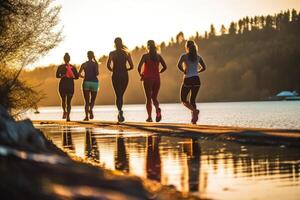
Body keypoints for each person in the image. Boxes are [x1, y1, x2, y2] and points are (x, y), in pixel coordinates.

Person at [177, 40, 206, 124]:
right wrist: (197, 72)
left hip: (188, 79)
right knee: (192, 100)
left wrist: (184, 70)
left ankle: (194, 111)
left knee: (183, 99)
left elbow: (178, 65)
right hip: (196, 79)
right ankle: (194, 119)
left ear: (187, 47)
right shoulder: (198, 57)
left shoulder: (184, 56)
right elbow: (204, 67)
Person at [138, 40, 167, 122]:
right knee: (154, 97)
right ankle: (157, 109)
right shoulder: (158, 56)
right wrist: (159, 72)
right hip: (157, 79)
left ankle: (150, 117)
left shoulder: (145, 56)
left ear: (148, 46)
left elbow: (139, 68)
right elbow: (165, 67)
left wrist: (141, 75)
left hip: (147, 79)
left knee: (148, 99)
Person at [107, 37, 134, 122]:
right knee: (121, 94)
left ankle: (119, 111)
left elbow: (108, 65)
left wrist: (112, 70)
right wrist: (126, 69)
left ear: (114, 43)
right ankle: (120, 112)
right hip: (124, 75)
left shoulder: (112, 53)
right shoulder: (126, 53)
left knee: (118, 95)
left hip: (115, 75)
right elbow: (132, 66)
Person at [56, 53, 79, 122]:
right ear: (69, 59)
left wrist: (63, 76)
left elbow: (57, 76)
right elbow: (77, 77)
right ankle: (67, 116)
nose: (67, 60)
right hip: (69, 85)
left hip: (64, 85)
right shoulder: (72, 67)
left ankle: (65, 113)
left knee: (64, 100)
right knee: (68, 102)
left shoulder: (62, 67)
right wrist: (70, 76)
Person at [79, 51, 99, 121]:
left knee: (86, 101)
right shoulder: (95, 64)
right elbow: (97, 74)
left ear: (87, 56)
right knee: (92, 100)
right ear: (93, 56)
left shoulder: (84, 64)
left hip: (86, 82)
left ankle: (86, 117)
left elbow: (79, 74)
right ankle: (91, 110)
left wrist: (83, 77)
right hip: (94, 83)